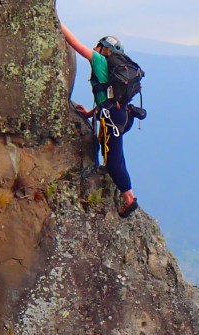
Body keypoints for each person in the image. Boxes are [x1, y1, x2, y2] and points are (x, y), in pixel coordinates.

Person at [61, 23, 139, 218]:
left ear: (105, 49)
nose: (95, 47)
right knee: (116, 155)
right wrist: (90, 114)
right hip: (119, 115)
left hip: (112, 117)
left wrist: (56, 21)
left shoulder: (99, 60)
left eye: (98, 45)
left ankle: (130, 198)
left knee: (113, 161)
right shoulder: (111, 69)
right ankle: (128, 192)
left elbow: (74, 42)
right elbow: (107, 99)